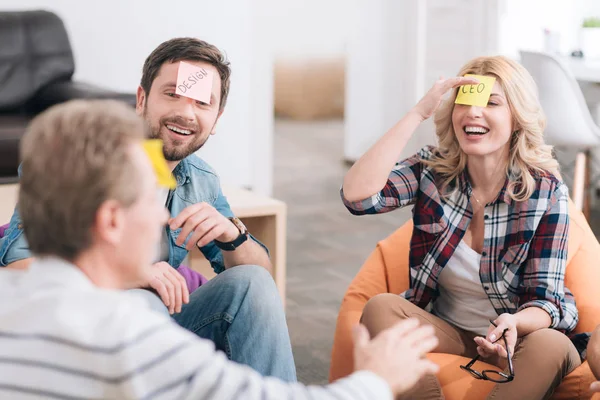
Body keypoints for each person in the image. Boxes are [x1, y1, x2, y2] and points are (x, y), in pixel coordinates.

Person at [0, 99, 440, 399]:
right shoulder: (127, 337)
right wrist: (374, 380)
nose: (160, 216)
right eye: (145, 201)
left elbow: (258, 273)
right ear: (111, 220)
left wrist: (233, 235)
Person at [0, 38, 295, 381]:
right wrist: (134, 275)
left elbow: (264, 276)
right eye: (172, 94)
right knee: (144, 301)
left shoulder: (199, 182)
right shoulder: (80, 164)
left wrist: (233, 234)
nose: (186, 112)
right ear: (142, 99)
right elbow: (19, 267)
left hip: (161, 331)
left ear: (216, 119)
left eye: (202, 102)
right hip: (84, 336)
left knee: (252, 282)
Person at [341, 55, 583, 399]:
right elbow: (358, 197)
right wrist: (418, 113)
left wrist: (513, 324)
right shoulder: (433, 170)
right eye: (465, 102)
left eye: (492, 102)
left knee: (551, 344)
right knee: (380, 307)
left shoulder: (545, 191)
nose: (473, 112)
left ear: (516, 118)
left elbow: (544, 300)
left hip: (520, 337)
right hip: (450, 329)